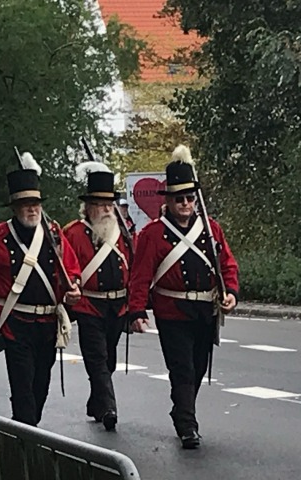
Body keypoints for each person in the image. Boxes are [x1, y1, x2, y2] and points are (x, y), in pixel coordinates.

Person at [0, 152, 81, 426]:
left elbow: (71, 270)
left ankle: (27, 429)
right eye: (25, 204)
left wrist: (74, 288)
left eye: (35, 203)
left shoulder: (54, 234)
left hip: (47, 323)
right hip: (15, 323)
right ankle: (26, 437)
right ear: (14, 207)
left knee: (40, 387)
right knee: (22, 389)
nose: (32, 209)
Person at [127, 145, 239, 449]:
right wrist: (137, 310)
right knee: (183, 369)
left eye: (190, 198)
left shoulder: (211, 228)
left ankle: (182, 409)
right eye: (179, 199)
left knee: (198, 368)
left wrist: (230, 293)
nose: (186, 203)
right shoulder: (152, 235)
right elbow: (140, 276)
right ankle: (188, 425)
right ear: (170, 201)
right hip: (172, 311)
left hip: (205, 310)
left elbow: (227, 264)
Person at [63, 166, 133, 431]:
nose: (105, 209)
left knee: (109, 359)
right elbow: (68, 266)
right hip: (89, 304)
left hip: (117, 305)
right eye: (99, 204)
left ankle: (96, 401)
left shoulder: (123, 233)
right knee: (97, 358)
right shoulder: (74, 233)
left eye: (109, 204)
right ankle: (108, 409)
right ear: (88, 206)